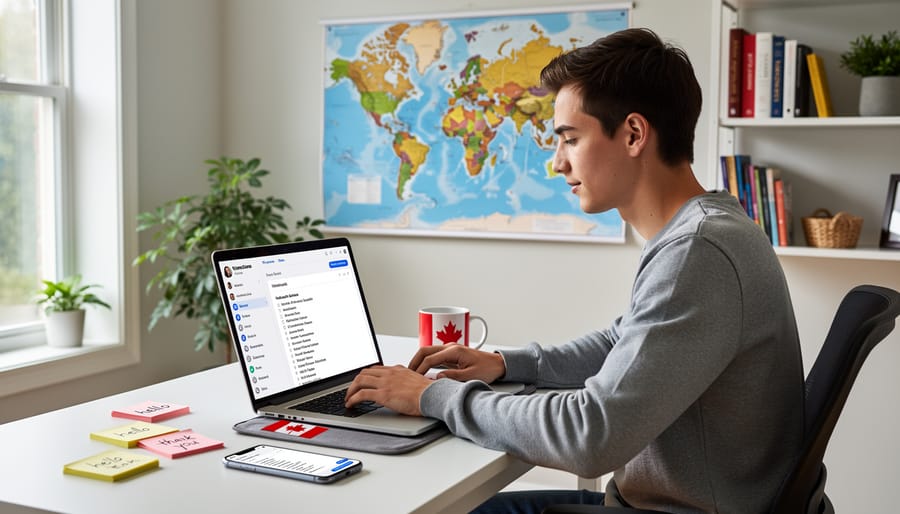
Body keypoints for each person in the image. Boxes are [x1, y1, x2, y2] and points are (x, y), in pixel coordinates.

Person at [345, 27, 804, 514]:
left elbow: (591, 435)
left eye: (570, 139)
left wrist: (434, 398)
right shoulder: (709, 229)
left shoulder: (697, 250)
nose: (557, 163)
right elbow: (623, 343)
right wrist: (509, 365)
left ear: (632, 134)